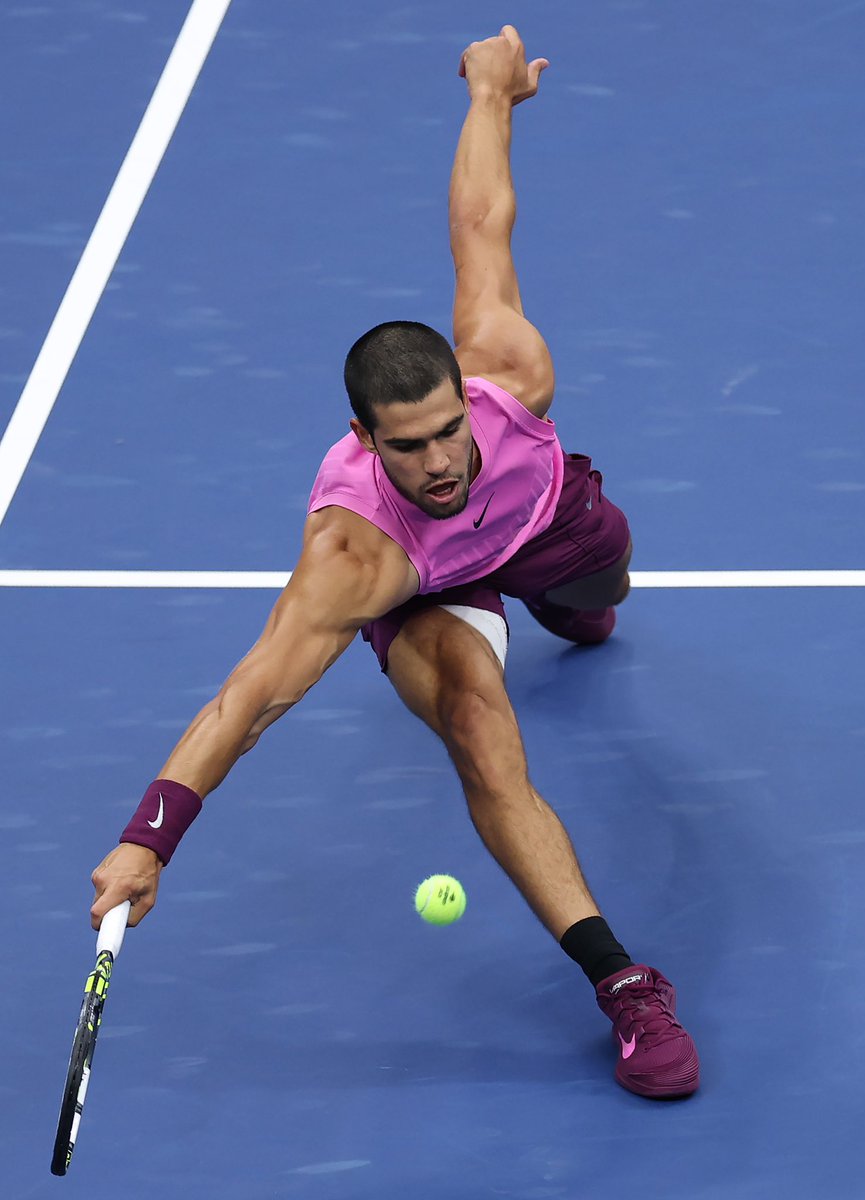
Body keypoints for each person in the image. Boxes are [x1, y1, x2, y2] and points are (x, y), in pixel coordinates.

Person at [90, 25, 699, 1100]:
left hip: (554, 528)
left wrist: (490, 95)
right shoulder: (350, 552)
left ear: (468, 403)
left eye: (445, 432)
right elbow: (249, 699)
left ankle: (570, 606)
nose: (436, 462)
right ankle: (625, 985)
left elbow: (480, 222)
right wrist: (151, 838)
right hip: (430, 587)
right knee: (478, 726)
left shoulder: (508, 373)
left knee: (605, 591)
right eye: (404, 445)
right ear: (366, 440)